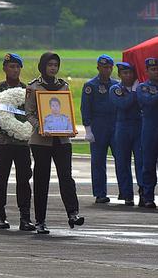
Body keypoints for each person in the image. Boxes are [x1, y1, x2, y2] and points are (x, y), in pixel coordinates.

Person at [26, 52, 85, 234]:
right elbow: (29, 113)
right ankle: (40, 221)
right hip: (41, 141)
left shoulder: (63, 85)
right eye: (50, 64)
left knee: (66, 177)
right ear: (43, 66)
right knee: (41, 180)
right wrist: (42, 127)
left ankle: (73, 213)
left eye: (55, 65)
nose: (53, 68)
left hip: (62, 139)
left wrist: (69, 127)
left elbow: (67, 110)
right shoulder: (34, 87)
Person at [0, 53, 32, 230]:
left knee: (24, 180)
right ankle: (0, 215)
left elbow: (33, 114)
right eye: (11, 66)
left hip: (22, 143)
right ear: (4, 68)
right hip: (3, 142)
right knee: (0, 179)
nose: (14, 70)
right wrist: (4, 124)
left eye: (17, 67)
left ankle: (25, 217)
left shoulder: (27, 91)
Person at [81, 54, 119, 204]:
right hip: (98, 125)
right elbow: (85, 108)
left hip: (115, 124)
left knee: (120, 159)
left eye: (110, 67)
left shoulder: (116, 85)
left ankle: (125, 192)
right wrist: (88, 128)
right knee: (98, 161)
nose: (107, 70)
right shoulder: (90, 86)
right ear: (98, 67)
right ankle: (100, 193)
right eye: (104, 67)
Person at [134, 57, 158, 209]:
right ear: (146, 71)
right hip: (149, 129)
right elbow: (149, 101)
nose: (156, 72)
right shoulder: (143, 87)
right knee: (147, 165)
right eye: (152, 69)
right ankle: (147, 196)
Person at [107, 61, 140, 206]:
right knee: (122, 162)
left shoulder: (140, 87)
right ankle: (127, 194)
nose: (128, 75)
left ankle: (144, 193)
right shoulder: (115, 89)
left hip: (138, 126)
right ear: (119, 75)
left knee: (141, 161)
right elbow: (123, 104)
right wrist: (133, 92)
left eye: (130, 73)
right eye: (124, 73)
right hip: (122, 127)